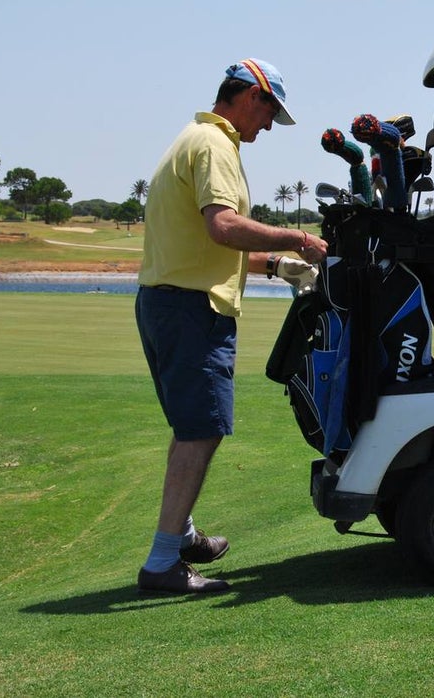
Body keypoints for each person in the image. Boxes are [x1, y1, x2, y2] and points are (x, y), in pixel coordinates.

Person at [135, 58, 327, 594]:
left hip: (166, 303)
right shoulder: (216, 144)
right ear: (250, 96)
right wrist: (295, 239)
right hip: (192, 311)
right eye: (270, 113)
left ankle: (184, 534)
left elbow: (206, 244)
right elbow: (222, 228)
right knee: (202, 430)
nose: (268, 127)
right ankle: (162, 563)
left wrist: (274, 266)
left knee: (192, 428)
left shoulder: (194, 137)